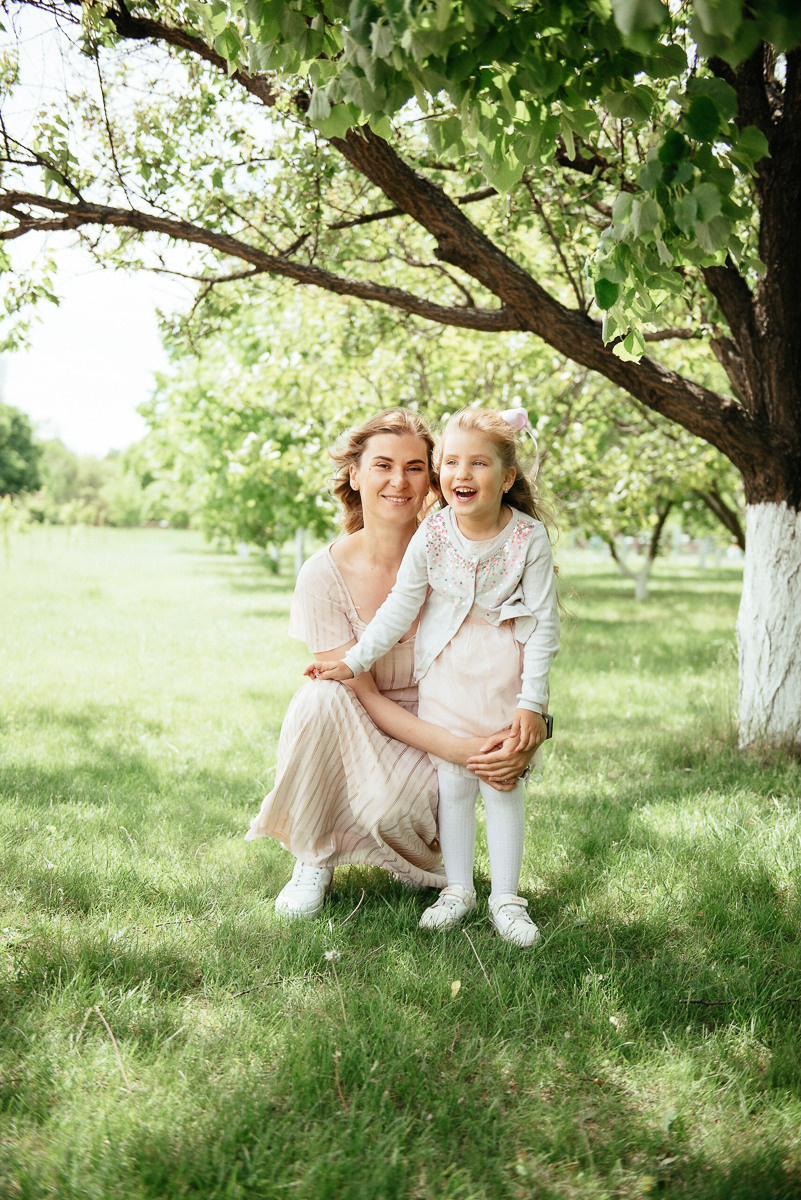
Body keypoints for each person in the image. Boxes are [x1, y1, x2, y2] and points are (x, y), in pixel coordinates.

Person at [245, 408, 538, 919]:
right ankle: (312, 856)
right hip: (362, 720)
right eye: (382, 465)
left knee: (405, 809)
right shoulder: (321, 576)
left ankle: (419, 861)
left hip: (443, 712)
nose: (399, 481)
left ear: (433, 478)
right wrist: (464, 750)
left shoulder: (452, 548)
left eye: (415, 467)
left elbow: (512, 649)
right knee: (320, 695)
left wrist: (514, 737)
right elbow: (367, 697)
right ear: (355, 475)